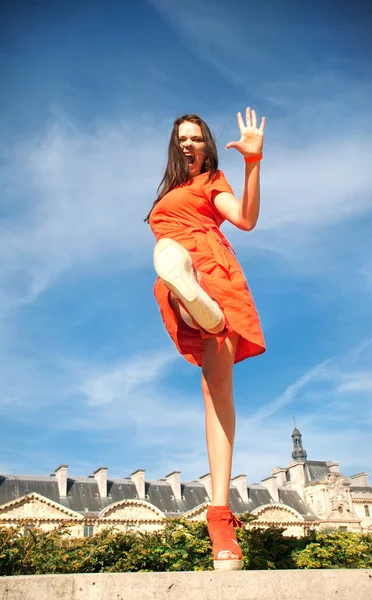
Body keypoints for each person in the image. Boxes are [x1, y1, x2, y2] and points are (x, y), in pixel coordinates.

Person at [145, 107, 266, 571]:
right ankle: (194, 302)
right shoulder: (169, 193)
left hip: (212, 270)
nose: (188, 144)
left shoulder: (212, 181)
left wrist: (252, 163)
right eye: (181, 139)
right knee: (171, 267)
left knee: (217, 390)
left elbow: (246, 219)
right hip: (178, 268)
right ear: (174, 147)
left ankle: (220, 515)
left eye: (195, 138)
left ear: (207, 145)